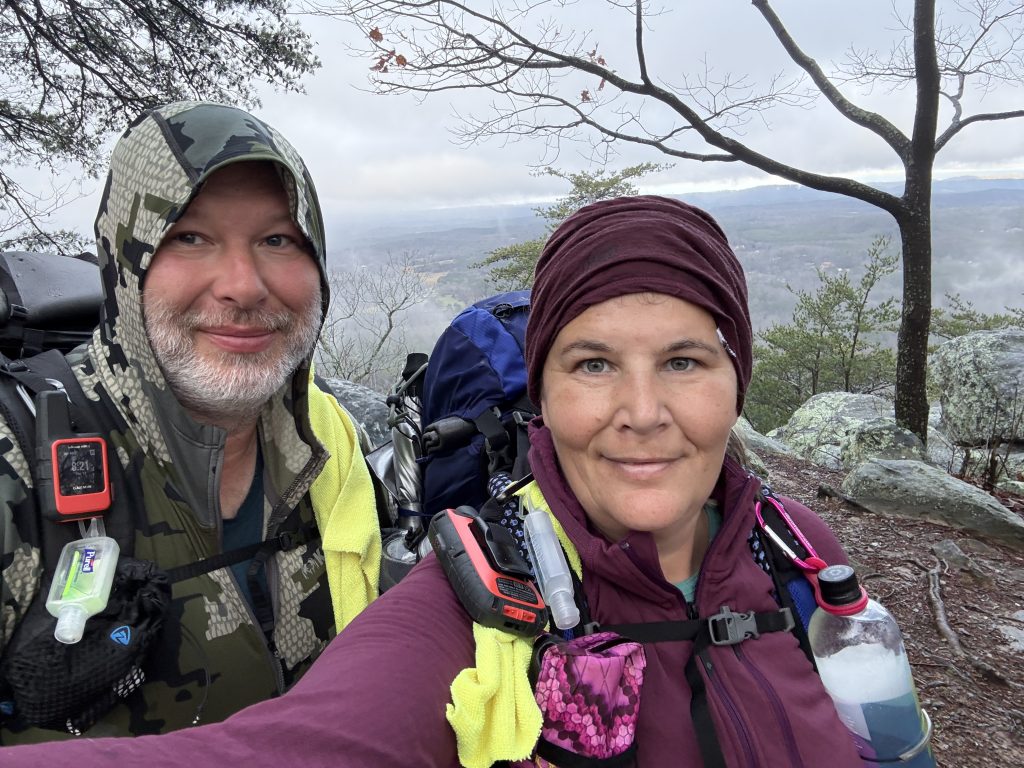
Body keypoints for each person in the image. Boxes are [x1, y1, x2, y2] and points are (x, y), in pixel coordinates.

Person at [0, 196, 863, 766]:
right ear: (545, 394)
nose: (641, 410)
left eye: (683, 361)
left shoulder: (792, 550)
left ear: (735, 377)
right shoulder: (470, 602)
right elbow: (280, 753)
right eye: (593, 364)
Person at [0, 101, 381, 744]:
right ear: (126, 260)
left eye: (278, 239)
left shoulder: (332, 450)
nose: (243, 285)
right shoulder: (16, 462)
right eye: (190, 237)